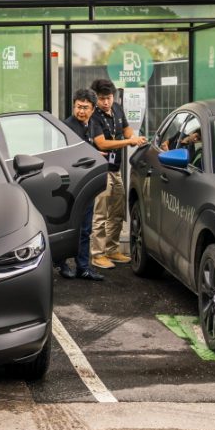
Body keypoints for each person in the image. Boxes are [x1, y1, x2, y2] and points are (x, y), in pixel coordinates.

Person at [88, 78, 147, 270]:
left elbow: (127, 130)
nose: (106, 102)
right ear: (96, 98)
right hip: (101, 171)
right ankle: (97, 254)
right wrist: (127, 142)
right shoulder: (94, 117)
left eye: (109, 97)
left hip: (116, 169)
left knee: (118, 211)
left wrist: (135, 138)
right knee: (100, 214)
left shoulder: (118, 109)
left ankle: (112, 250)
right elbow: (102, 143)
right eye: (102, 98)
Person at [59, 89, 104, 281]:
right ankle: (62, 264)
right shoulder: (66, 127)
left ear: (93, 109)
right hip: (68, 186)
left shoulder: (93, 124)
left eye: (85, 107)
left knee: (86, 228)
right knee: (66, 226)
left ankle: (83, 267)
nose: (81, 111)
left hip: (86, 183)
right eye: (78, 106)